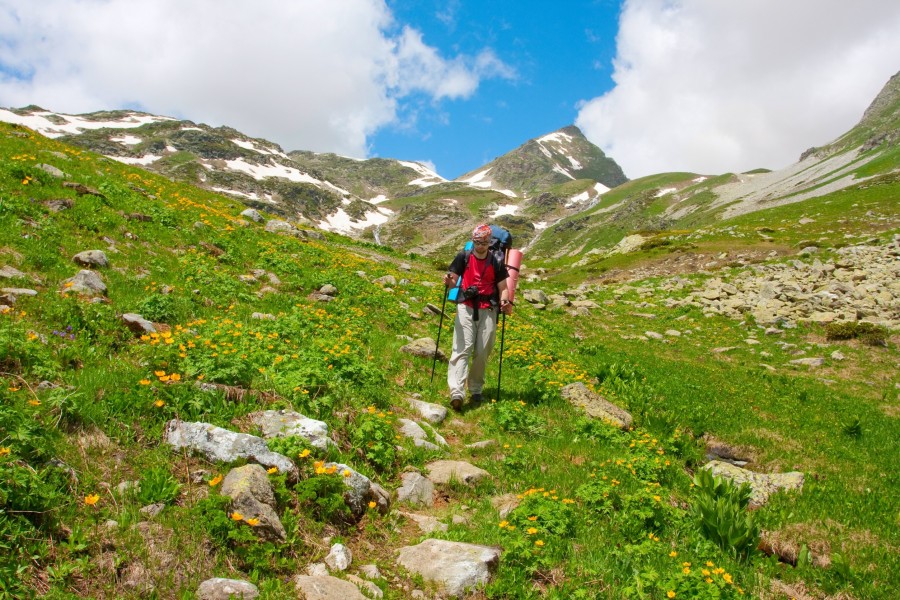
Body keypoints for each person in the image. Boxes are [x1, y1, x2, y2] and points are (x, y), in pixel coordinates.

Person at [442, 224, 513, 410]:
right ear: (472, 241)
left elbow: (503, 288)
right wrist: (449, 281)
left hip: (488, 308)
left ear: (489, 243)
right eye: (477, 242)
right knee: (463, 348)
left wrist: (505, 302)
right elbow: (453, 281)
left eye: (484, 243)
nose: (480, 246)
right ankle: (456, 391)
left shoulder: (497, 260)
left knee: (482, 351)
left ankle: (475, 389)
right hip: (465, 305)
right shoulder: (463, 257)